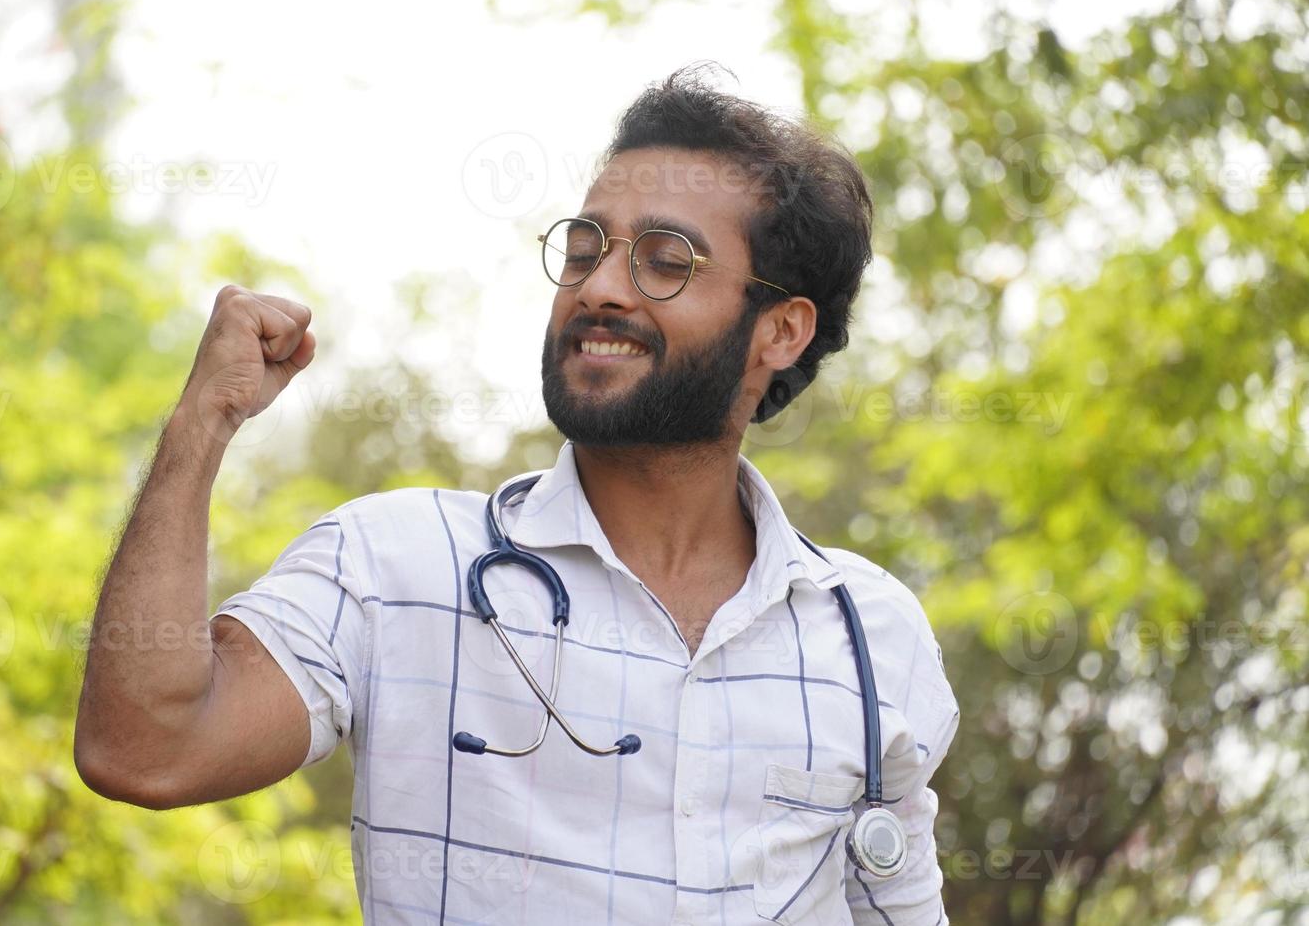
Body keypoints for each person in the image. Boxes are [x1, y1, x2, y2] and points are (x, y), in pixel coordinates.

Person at [75, 64, 960, 925]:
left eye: (664, 260)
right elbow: (147, 749)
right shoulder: (394, 566)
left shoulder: (872, 637)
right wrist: (201, 425)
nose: (601, 288)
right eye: (586, 248)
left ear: (780, 329)